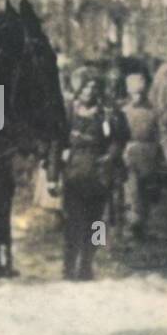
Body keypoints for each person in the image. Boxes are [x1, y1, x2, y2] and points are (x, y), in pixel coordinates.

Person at [59, 76, 126, 280]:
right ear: (78, 90)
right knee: (73, 221)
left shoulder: (108, 114)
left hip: (99, 173)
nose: (89, 91)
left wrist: (111, 156)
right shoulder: (68, 112)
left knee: (98, 222)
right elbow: (57, 142)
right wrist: (54, 174)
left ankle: (88, 263)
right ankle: (69, 266)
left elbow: (120, 137)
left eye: (93, 87)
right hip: (74, 172)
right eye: (85, 87)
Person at [120, 72, 162, 239]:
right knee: (131, 190)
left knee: (146, 191)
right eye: (135, 93)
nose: (138, 96)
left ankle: (142, 225)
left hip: (149, 153)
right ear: (129, 92)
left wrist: (162, 154)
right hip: (130, 152)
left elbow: (159, 133)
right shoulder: (124, 111)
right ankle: (131, 224)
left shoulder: (153, 111)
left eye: (141, 93)